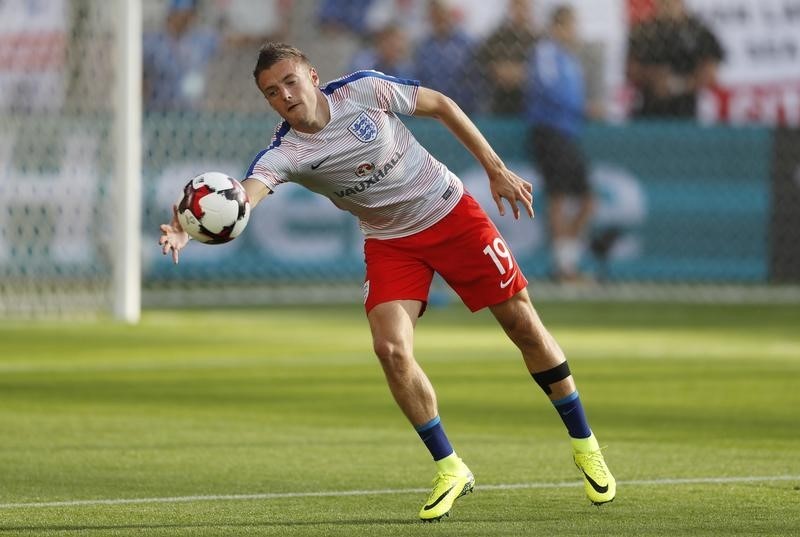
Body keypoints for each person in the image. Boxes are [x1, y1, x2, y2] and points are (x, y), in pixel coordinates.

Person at [159, 42, 616, 521]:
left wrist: (495, 168)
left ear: (312, 76)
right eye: (272, 92)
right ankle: (450, 467)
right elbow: (243, 200)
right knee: (391, 350)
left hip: (450, 213)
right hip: (390, 242)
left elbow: (441, 105)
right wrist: (190, 228)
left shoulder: (364, 90)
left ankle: (584, 442)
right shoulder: (284, 153)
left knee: (522, 325)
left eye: (290, 82)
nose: (285, 96)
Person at [526, 5, 595, 283]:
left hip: (568, 133)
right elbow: (546, 86)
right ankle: (564, 268)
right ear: (556, 27)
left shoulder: (569, 58)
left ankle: (567, 262)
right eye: (568, 25)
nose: (572, 31)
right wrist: (579, 108)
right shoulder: (545, 52)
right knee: (558, 197)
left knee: (588, 200)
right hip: (550, 130)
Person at [626, 0, 724, 119]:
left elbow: (710, 74)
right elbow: (631, 70)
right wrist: (653, 77)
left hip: (686, 115)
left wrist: (678, 85)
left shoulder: (698, 31)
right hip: (648, 113)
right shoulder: (643, 32)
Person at [142, 0, 219, 112]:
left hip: (191, 112)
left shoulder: (200, 40)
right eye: (183, 13)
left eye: (189, 13)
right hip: (159, 110)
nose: (187, 18)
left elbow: (228, 40)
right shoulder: (154, 42)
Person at [412, 0, 478, 115]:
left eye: (442, 15)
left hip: (463, 106)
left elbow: (473, 76)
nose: (439, 19)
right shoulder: (424, 46)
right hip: (431, 106)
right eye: (435, 16)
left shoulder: (466, 43)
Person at [476, 0, 538, 115]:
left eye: (524, 6)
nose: (520, 11)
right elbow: (483, 61)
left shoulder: (538, 38)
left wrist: (524, 73)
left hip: (529, 100)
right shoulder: (497, 36)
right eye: (517, 5)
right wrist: (496, 70)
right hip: (498, 97)